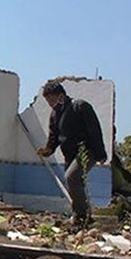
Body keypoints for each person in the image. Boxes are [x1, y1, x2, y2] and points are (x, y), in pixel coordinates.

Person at [36, 82, 107, 227]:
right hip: (70, 154)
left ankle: (82, 216)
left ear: (60, 95)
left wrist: (101, 153)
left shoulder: (79, 106)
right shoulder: (55, 114)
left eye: (51, 99)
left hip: (87, 151)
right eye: (47, 100)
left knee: (72, 177)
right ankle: (81, 217)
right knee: (73, 182)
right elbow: (53, 137)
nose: (50, 103)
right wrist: (47, 150)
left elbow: (95, 130)